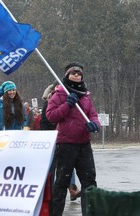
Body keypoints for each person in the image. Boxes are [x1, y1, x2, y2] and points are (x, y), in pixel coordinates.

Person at [46, 62, 100, 216]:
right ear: (67, 75)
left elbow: (93, 114)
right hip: (66, 145)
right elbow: (51, 116)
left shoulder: (86, 96)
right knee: (62, 183)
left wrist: (95, 124)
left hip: (84, 144)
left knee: (89, 183)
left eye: (79, 73)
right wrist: (67, 105)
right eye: (73, 72)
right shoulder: (59, 94)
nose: (76, 75)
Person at [41, 83, 81, 202]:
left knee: (69, 164)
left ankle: (72, 189)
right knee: (52, 166)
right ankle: (50, 192)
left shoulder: (70, 100)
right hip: (52, 138)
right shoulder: (49, 101)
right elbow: (45, 120)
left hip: (65, 138)